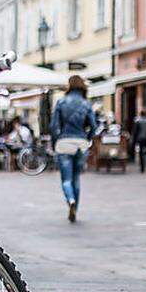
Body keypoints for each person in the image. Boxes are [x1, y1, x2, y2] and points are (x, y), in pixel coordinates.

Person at [50, 75, 97, 223]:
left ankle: (70, 200)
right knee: (76, 178)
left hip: (64, 143)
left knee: (66, 180)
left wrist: (55, 142)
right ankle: (75, 209)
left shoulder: (61, 102)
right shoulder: (86, 104)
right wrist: (87, 138)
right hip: (81, 144)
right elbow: (94, 126)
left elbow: (53, 127)